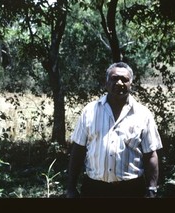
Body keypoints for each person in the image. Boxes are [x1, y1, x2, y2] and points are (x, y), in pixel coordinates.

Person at [66, 61, 163, 198]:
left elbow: (150, 155)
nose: (119, 83)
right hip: (95, 189)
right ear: (106, 83)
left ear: (131, 84)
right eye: (114, 78)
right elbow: (78, 150)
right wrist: (71, 187)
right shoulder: (89, 111)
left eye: (124, 79)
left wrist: (152, 188)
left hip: (131, 190)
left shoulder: (143, 114)